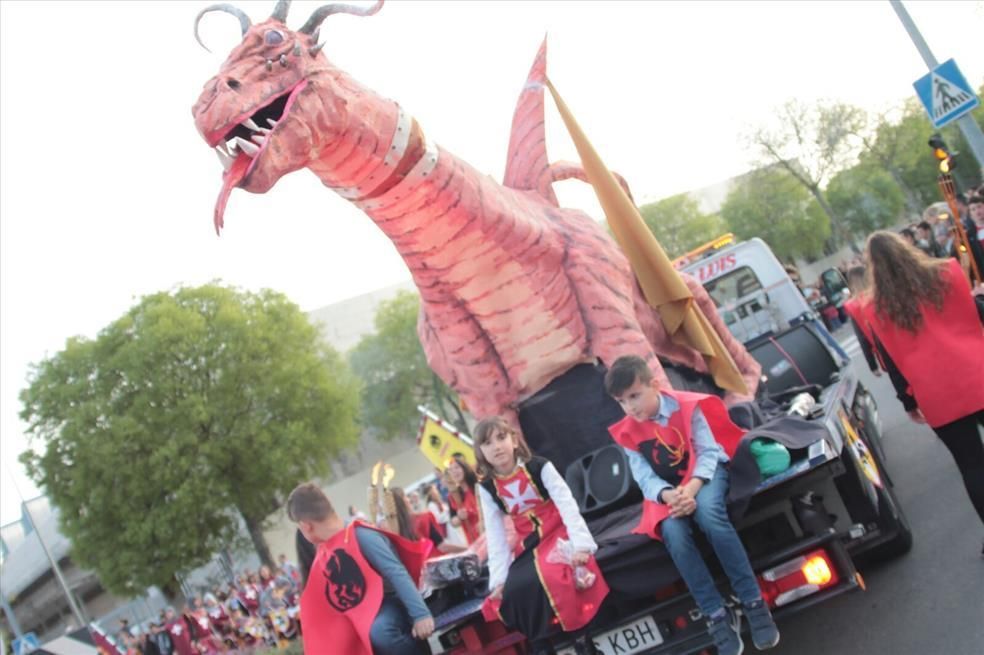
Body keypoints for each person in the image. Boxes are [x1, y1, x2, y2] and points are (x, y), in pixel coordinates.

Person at [604, 355, 780, 655]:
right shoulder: (626, 432)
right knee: (673, 535)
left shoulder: (686, 406)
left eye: (635, 396)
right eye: (622, 401)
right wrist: (667, 495)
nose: (630, 407)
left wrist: (692, 488)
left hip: (703, 475)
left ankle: (753, 602)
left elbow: (708, 451)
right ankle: (715, 615)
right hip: (667, 493)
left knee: (710, 516)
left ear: (655, 385)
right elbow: (644, 477)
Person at [861, 231, 984, 552]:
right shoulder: (947, 272)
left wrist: (908, 402)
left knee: (971, 464)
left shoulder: (876, 308)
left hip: (936, 391)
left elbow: (891, 359)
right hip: (976, 370)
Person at [474, 416, 609, 645]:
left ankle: (581, 636)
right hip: (528, 543)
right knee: (517, 586)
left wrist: (581, 545)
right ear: (481, 452)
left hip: (557, 532)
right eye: (487, 443)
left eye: (501, 438)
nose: (496, 446)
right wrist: (499, 579)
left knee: (553, 573)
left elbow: (567, 504)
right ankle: (545, 643)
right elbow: (495, 535)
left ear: (514, 440)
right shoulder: (487, 488)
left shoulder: (540, 466)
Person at [287, 481, 434, 655]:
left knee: (380, 632)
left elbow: (395, 572)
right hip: (357, 613)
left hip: (390, 603)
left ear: (305, 526)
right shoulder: (323, 552)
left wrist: (421, 614)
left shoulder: (361, 535)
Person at [842, 264, 883, 375]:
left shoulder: (854, 306)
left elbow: (862, 338)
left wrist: (872, 366)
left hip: (883, 350)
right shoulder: (881, 293)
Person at [446, 454, 482, 544]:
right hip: (475, 540)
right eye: (451, 470)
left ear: (464, 468)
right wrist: (459, 517)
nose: (454, 472)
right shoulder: (453, 496)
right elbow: (453, 522)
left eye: (457, 467)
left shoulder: (480, 485)